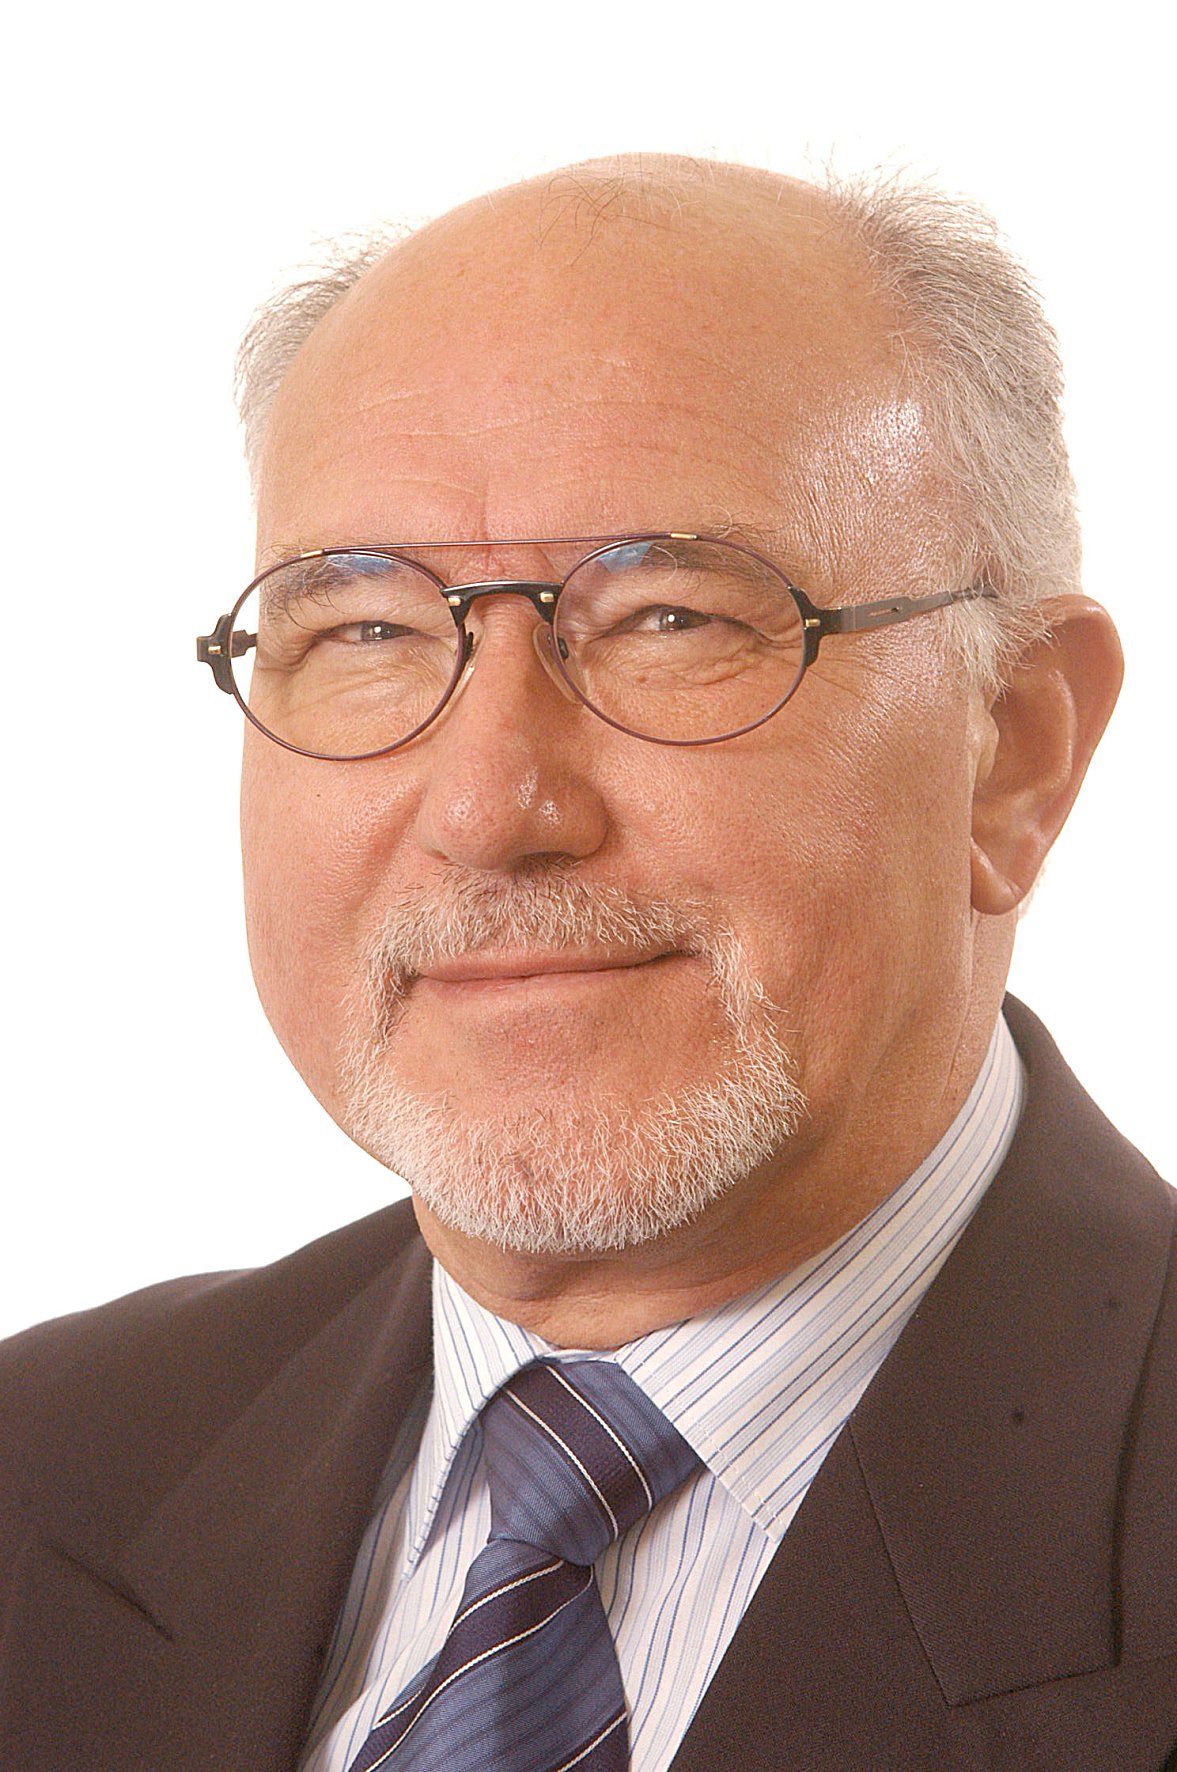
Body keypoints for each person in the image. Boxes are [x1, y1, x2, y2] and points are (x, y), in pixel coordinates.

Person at [1, 154, 1173, 1772]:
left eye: (671, 620)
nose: (491, 810)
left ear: (1013, 751)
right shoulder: (41, 1470)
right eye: (366, 633)